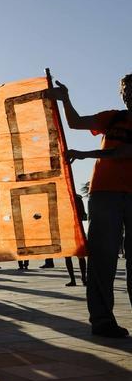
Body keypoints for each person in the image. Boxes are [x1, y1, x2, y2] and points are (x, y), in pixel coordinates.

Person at [51, 75, 132, 337]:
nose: (127, 94)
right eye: (124, 90)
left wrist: (85, 154)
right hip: (104, 192)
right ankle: (102, 320)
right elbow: (75, 123)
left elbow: (123, 153)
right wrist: (65, 100)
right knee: (102, 259)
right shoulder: (113, 117)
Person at [65, 193, 88, 287]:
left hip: (73, 229)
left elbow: (84, 216)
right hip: (69, 229)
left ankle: (77, 279)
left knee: (77, 256)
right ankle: (80, 279)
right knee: (70, 256)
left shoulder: (77, 199)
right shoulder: (77, 198)